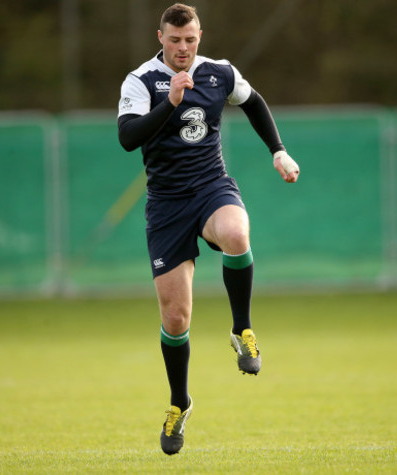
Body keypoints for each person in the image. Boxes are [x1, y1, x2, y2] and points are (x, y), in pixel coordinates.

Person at [117, 3, 299, 455]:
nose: (183, 48)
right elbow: (128, 137)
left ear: (200, 36)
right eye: (175, 40)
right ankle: (180, 402)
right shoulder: (141, 81)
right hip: (166, 205)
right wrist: (172, 102)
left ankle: (242, 330)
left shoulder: (219, 72)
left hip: (211, 186)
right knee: (176, 319)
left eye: (191, 39)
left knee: (237, 234)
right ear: (160, 37)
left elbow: (253, 102)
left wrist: (278, 150)